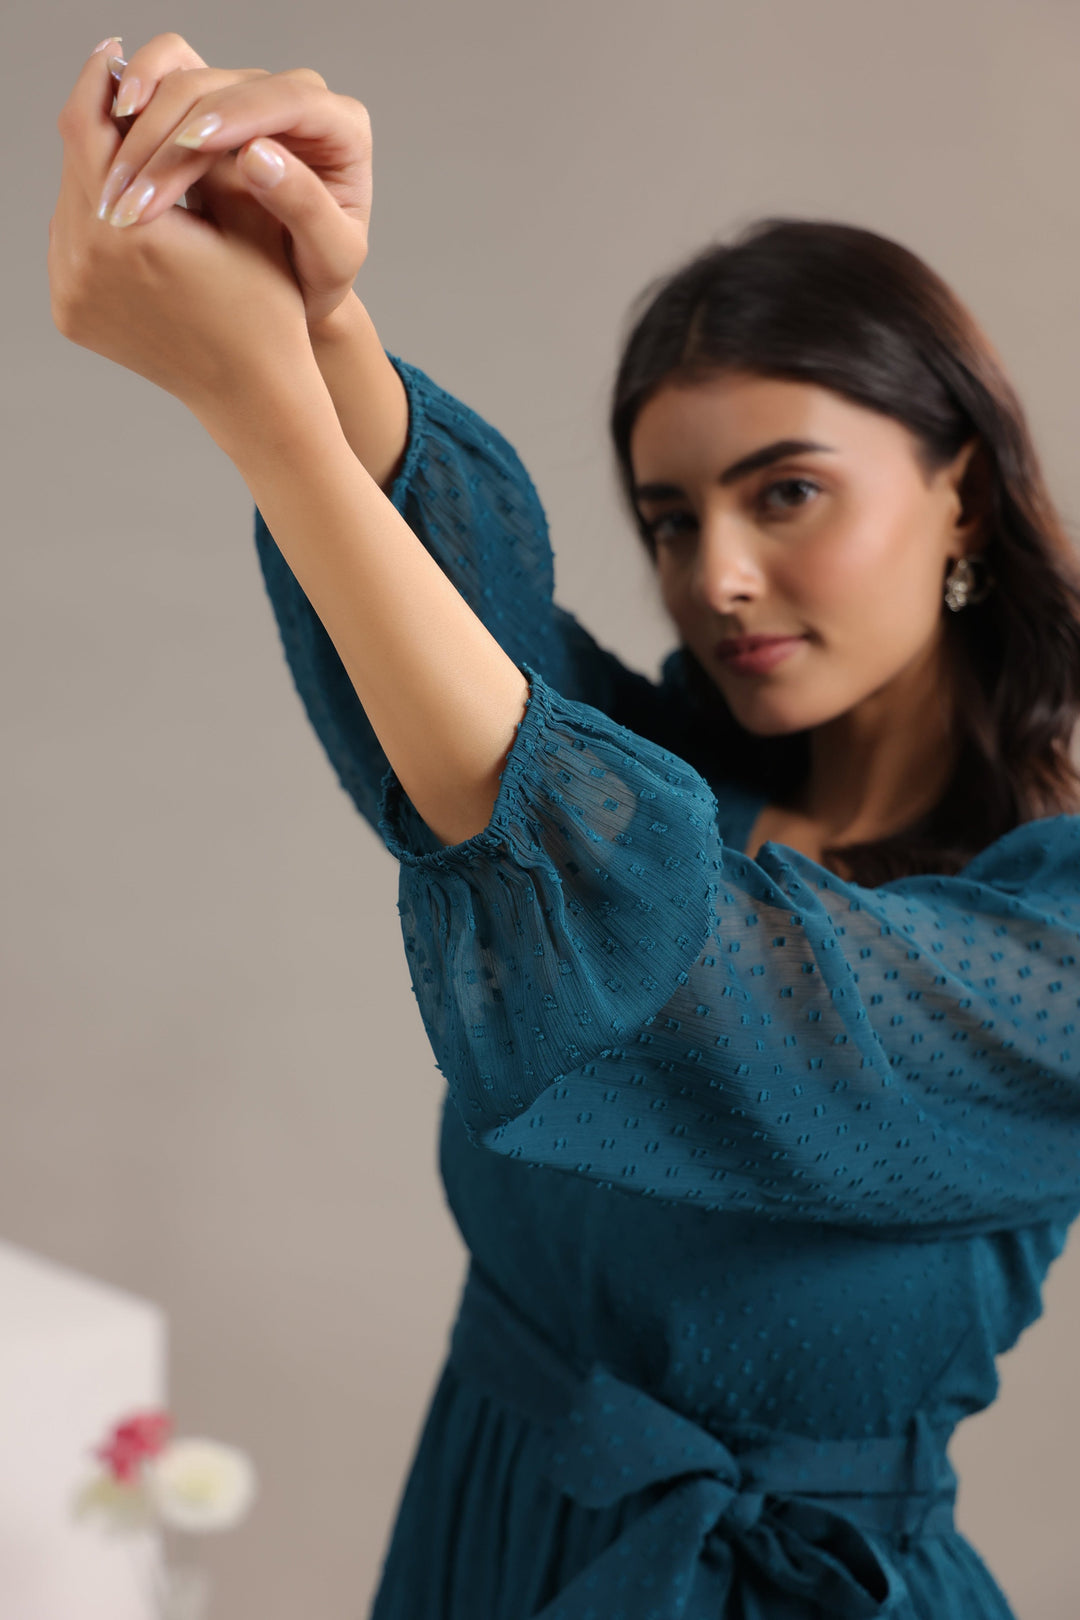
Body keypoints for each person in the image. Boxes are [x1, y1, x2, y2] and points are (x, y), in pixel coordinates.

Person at [51, 33, 1080, 1620]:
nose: (717, 577)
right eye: (672, 520)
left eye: (785, 491)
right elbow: (456, 656)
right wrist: (307, 302)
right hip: (486, 1534)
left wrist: (264, 415)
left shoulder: (1051, 953)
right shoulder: (684, 772)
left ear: (962, 488)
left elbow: (662, 953)